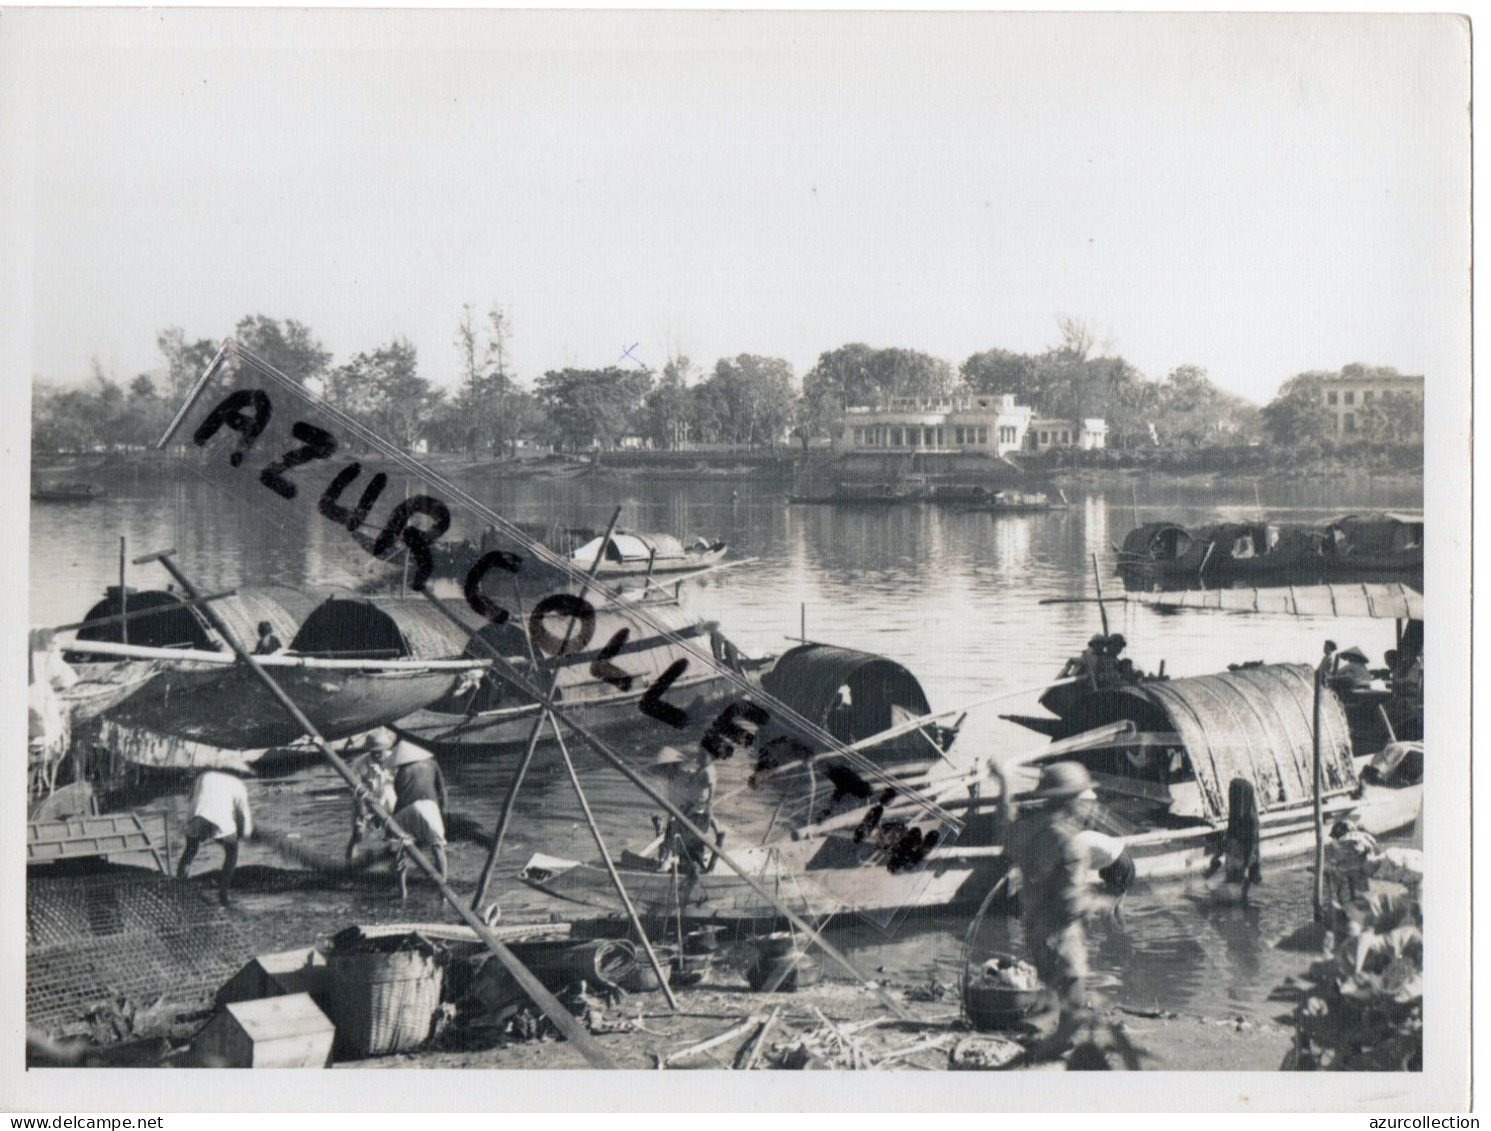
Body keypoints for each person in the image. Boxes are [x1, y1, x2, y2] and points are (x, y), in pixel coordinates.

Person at [990, 759, 1098, 1054]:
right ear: (1070, 802)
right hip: (1061, 933)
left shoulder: (1026, 831)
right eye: (1082, 799)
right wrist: (1096, 899)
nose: (1087, 806)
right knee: (1073, 995)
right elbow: (1072, 904)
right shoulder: (1070, 844)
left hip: (1035, 928)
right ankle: (1058, 1042)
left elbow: (1004, 823)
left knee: (1051, 982)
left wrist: (1005, 782)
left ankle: (1048, 1022)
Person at [178, 770, 253, 906]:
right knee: (232, 852)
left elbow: (190, 798)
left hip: (196, 815)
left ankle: (179, 886)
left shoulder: (204, 775)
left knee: (191, 849)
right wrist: (242, 834)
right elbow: (245, 821)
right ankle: (223, 895)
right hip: (219, 820)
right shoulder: (239, 785)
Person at [655, 746, 718, 875]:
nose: (667, 771)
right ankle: (668, 861)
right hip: (679, 814)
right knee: (671, 837)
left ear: (675, 766)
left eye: (669, 767)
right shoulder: (671, 780)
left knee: (685, 842)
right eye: (664, 768)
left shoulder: (686, 776)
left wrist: (707, 806)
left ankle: (681, 864)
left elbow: (701, 787)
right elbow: (672, 802)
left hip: (689, 813)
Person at [1204, 777, 1263, 903]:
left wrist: (1247, 867)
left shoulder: (1251, 821)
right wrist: (1216, 860)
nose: (1235, 800)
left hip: (1246, 862)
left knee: (1240, 897)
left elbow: (1253, 847)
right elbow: (1228, 839)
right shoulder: (1235, 817)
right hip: (1235, 860)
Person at [343, 729, 398, 862]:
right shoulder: (360, 763)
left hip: (389, 803)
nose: (378, 753)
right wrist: (362, 809)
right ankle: (349, 865)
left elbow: (402, 783)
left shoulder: (395, 759)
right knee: (358, 834)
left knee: (394, 835)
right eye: (375, 751)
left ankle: (392, 863)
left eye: (381, 750)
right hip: (365, 802)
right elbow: (354, 789)